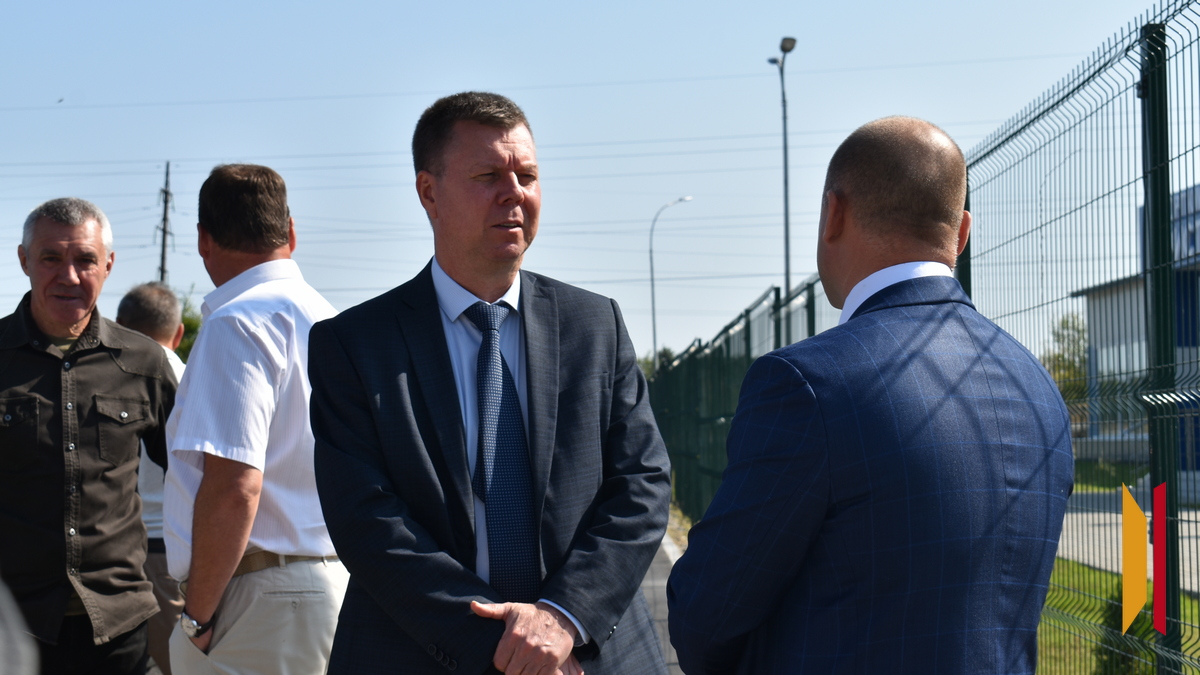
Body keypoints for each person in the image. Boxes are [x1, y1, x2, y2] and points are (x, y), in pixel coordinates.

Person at [667, 117, 1075, 674]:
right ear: (962, 233)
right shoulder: (1039, 389)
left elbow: (705, 616)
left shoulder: (806, 383)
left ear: (833, 214)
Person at [308, 91, 672, 675]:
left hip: (583, 653)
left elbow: (642, 483)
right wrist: (509, 651)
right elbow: (366, 521)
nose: (514, 193)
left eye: (526, 175)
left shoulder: (594, 325)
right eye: (488, 176)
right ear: (429, 192)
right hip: (422, 653)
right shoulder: (355, 345)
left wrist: (562, 620)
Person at [162, 164, 347, 675]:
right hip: (333, 584)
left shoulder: (236, 322)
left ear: (204, 240)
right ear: (290, 232)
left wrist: (197, 618)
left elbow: (235, 487)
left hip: (260, 597)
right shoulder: (331, 319)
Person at [0, 197, 177, 673]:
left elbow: (194, 478)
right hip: (14, 628)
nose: (70, 276)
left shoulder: (145, 363)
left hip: (121, 625)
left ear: (109, 265)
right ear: (24, 260)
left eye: (85, 259)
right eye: (51, 258)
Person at [116, 282, 188, 675]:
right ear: (178, 333)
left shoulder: (111, 372)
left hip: (121, 549)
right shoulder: (190, 376)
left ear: (119, 325)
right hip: (175, 548)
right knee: (178, 663)